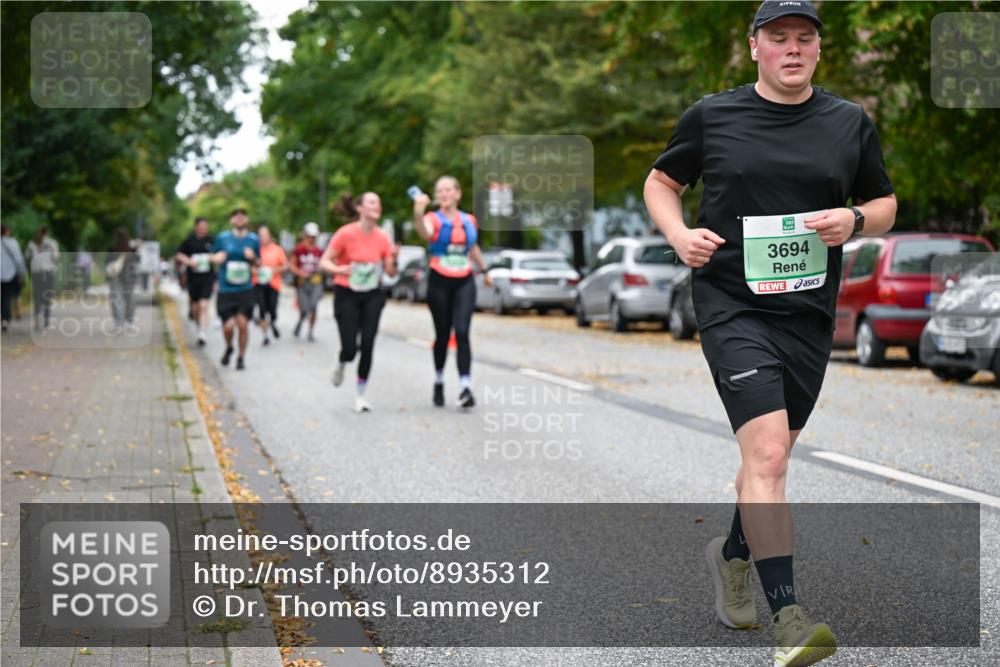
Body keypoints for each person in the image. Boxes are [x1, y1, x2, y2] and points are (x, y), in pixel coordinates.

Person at [643, 2, 896, 665]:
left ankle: (732, 556)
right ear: (754, 46)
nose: (792, 48)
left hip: (809, 314)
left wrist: (855, 220)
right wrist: (678, 234)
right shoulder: (713, 115)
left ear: (819, 49)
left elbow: (884, 202)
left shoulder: (849, 121)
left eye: (804, 38)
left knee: (768, 459)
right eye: (778, 37)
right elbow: (661, 182)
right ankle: (789, 619)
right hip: (732, 304)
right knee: (772, 457)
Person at [412, 176, 491, 408]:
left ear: (458, 194)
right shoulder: (432, 218)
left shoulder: (469, 220)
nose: (445, 194)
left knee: (463, 332)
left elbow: (472, 247)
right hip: (439, 280)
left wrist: (485, 270)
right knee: (443, 335)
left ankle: (465, 387)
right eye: (440, 191)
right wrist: (418, 212)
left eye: (448, 190)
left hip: (464, 280)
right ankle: (439, 380)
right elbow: (425, 233)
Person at [320, 192, 397, 413]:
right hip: (347, 293)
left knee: (368, 344)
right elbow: (324, 261)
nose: (377, 205)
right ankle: (342, 361)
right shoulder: (345, 233)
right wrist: (339, 269)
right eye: (372, 202)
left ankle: (360, 395)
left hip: (372, 294)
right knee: (350, 348)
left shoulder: (383, 237)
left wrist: (394, 258)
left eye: (379, 202)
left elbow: (390, 272)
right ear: (359, 208)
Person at [210, 209, 260, 370]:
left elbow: (259, 263)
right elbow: (211, 256)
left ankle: (241, 357)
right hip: (226, 289)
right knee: (228, 326)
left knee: (243, 324)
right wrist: (216, 259)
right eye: (236, 217)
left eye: (242, 216)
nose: (239, 219)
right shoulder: (222, 238)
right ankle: (229, 347)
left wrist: (253, 258)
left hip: (245, 289)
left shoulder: (253, 239)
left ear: (247, 219)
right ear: (231, 220)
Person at [175, 217, 216, 346]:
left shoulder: (212, 241)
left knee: (204, 305)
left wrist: (212, 258)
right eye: (201, 226)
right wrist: (189, 261)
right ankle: (198, 324)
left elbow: (219, 255)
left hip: (207, 278)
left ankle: (202, 333)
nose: (203, 228)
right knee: (195, 307)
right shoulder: (189, 241)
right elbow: (179, 255)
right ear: (196, 227)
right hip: (193, 278)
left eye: (205, 226)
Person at [289, 222, 324, 341]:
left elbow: (323, 264)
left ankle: (310, 331)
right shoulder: (299, 249)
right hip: (302, 282)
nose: (311, 238)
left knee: (313, 306)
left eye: (313, 236)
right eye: (309, 236)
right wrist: (300, 272)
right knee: (304, 308)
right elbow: (292, 265)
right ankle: (300, 322)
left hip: (316, 281)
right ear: (305, 235)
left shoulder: (319, 251)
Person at [254, 224, 287, 346]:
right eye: (260, 235)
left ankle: (273, 322)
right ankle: (265, 336)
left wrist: (272, 270)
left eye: (265, 235)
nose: (263, 238)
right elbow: (250, 266)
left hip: (274, 284)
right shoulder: (255, 249)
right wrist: (257, 271)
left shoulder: (277, 250)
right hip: (259, 283)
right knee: (262, 309)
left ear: (270, 236)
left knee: (272, 310)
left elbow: (285, 266)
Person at [24, 225, 59, 330]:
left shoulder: (50, 243)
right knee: (39, 296)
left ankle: (45, 319)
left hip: (44, 272)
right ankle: (39, 319)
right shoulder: (32, 244)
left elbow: (55, 256)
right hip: (40, 273)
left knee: (44, 296)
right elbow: (27, 257)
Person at [106, 227, 141, 333]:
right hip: (129, 278)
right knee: (129, 300)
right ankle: (129, 322)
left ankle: (119, 324)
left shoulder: (112, 249)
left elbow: (107, 263)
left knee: (117, 301)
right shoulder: (131, 249)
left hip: (116, 277)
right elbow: (138, 260)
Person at [1, 224, 27, 332]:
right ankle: (6, 319)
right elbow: (19, 259)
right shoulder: (13, 242)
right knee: (7, 297)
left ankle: (5, 318)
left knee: (3, 297)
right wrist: (22, 273)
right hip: (11, 274)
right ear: (7, 231)